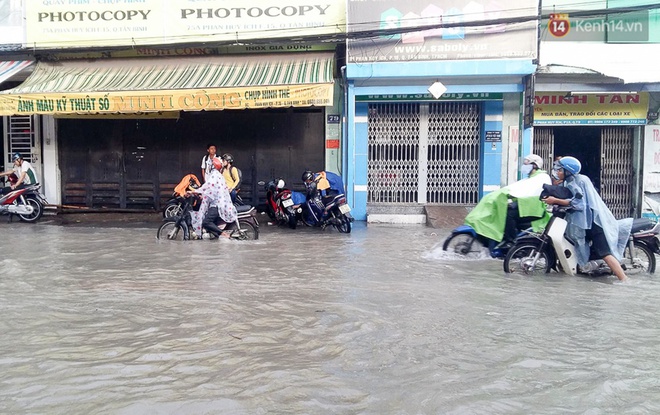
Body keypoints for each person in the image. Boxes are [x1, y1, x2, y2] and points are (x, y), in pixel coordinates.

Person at [542, 156, 630, 282]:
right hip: (583, 222)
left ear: (568, 171)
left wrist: (555, 200)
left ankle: (624, 279)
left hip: (594, 222)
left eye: (560, 170)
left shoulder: (578, 181)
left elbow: (579, 204)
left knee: (604, 253)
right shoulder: (570, 180)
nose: (558, 172)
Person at [464, 154, 551, 249]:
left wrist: (509, 194)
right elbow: (520, 190)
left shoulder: (541, 177)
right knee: (505, 209)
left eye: (526, 164)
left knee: (509, 214)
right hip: (526, 206)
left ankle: (510, 242)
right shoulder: (531, 177)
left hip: (535, 210)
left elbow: (527, 191)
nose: (524, 166)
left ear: (534, 165)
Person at [188, 156, 237, 239]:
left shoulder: (214, 175)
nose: (209, 166)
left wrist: (194, 191)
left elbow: (207, 186)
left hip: (217, 205)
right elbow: (211, 190)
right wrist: (202, 194)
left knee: (206, 222)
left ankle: (223, 234)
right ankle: (216, 236)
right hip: (218, 203)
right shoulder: (218, 175)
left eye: (210, 165)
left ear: (213, 166)